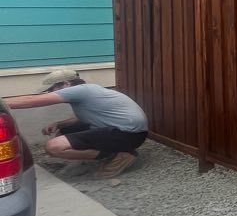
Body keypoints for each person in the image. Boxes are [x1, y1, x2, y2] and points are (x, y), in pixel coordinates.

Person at [4, 68, 148, 178]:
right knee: (63, 132)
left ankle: (119, 154)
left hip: (129, 134)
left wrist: (2, 103)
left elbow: (31, 101)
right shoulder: (88, 91)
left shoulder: (79, 90)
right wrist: (59, 124)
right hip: (125, 131)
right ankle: (104, 153)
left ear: (66, 84)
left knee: (53, 147)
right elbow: (87, 117)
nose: (49, 93)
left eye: (52, 89)